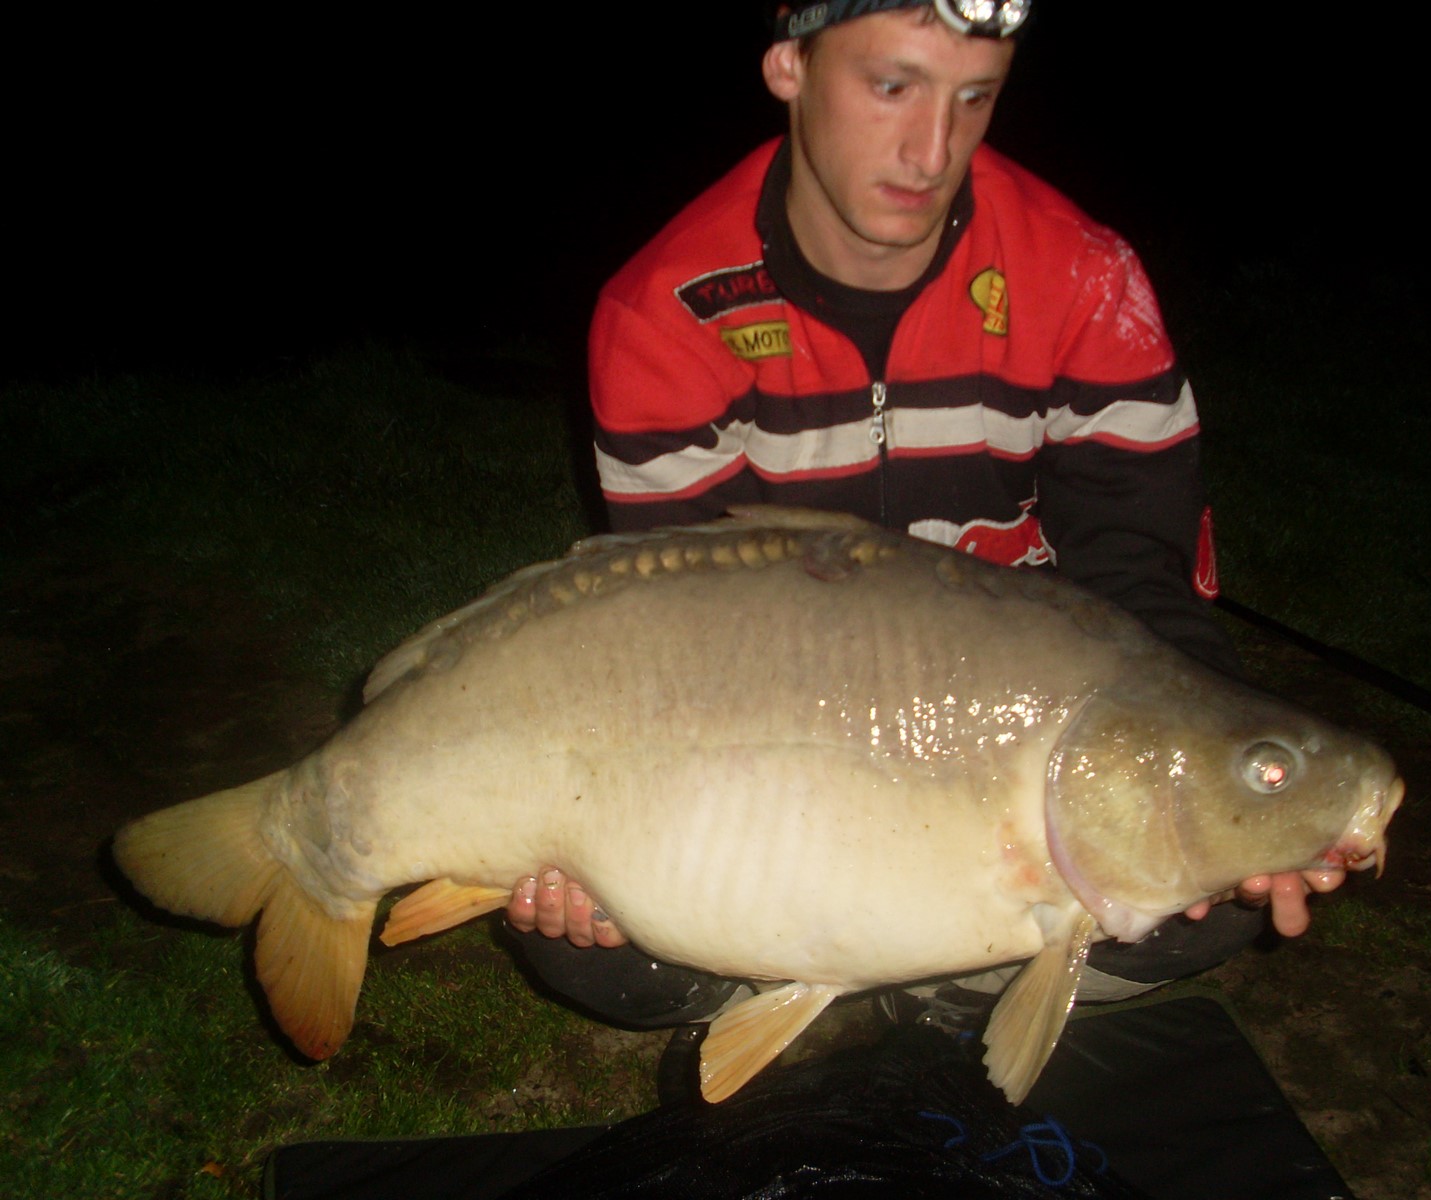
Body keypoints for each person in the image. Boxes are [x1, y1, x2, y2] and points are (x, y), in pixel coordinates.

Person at [504, 0, 1344, 1076]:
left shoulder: (1084, 277)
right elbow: (680, 638)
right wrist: (602, 837)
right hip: (776, 722)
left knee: (1205, 889)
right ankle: (827, 953)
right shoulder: (669, 310)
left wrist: (1229, 778)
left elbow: (1138, 572)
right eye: (892, 87)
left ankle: (947, 980)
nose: (931, 150)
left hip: (1022, 725)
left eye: (974, 97)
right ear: (789, 65)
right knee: (593, 948)